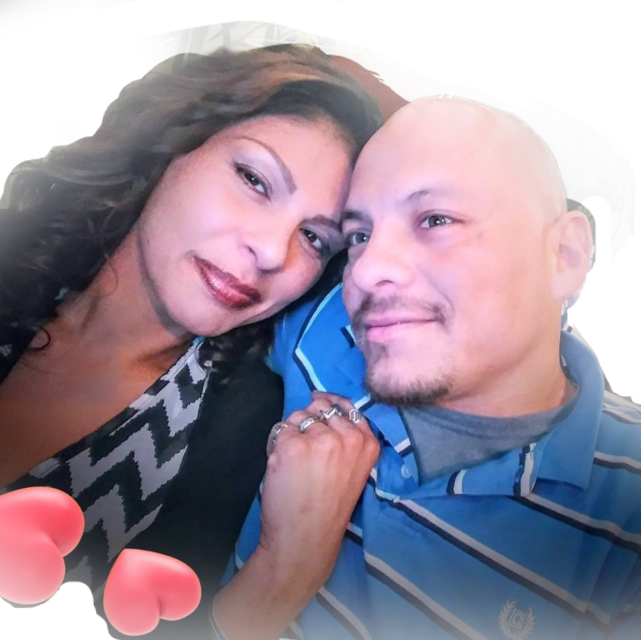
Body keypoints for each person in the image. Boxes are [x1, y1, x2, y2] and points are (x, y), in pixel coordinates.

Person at [213, 96, 641, 639]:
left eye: (436, 219)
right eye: (359, 236)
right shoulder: (324, 326)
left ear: (565, 257)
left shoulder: (627, 511)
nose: (366, 272)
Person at [0, 45, 383, 634]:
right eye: (255, 180)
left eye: (313, 238)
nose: (271, 252)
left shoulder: (240, 430)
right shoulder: (12, 259)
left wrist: (283, 575)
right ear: (173, 142)